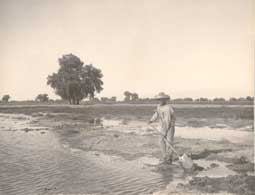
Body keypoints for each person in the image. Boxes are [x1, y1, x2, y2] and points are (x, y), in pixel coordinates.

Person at [148, 92, 176, 164]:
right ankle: (164, 156)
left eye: (161, 99)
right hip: (163, 125)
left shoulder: (168, 108)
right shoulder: (159, 106)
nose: (160, 101)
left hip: (170, 125)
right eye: (159, 99)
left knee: (169, 141)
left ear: (165, 100)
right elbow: (157, 114)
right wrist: (151, 120)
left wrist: (164, 131)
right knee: (161, 141)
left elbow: (168, 120)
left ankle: (169, 158)